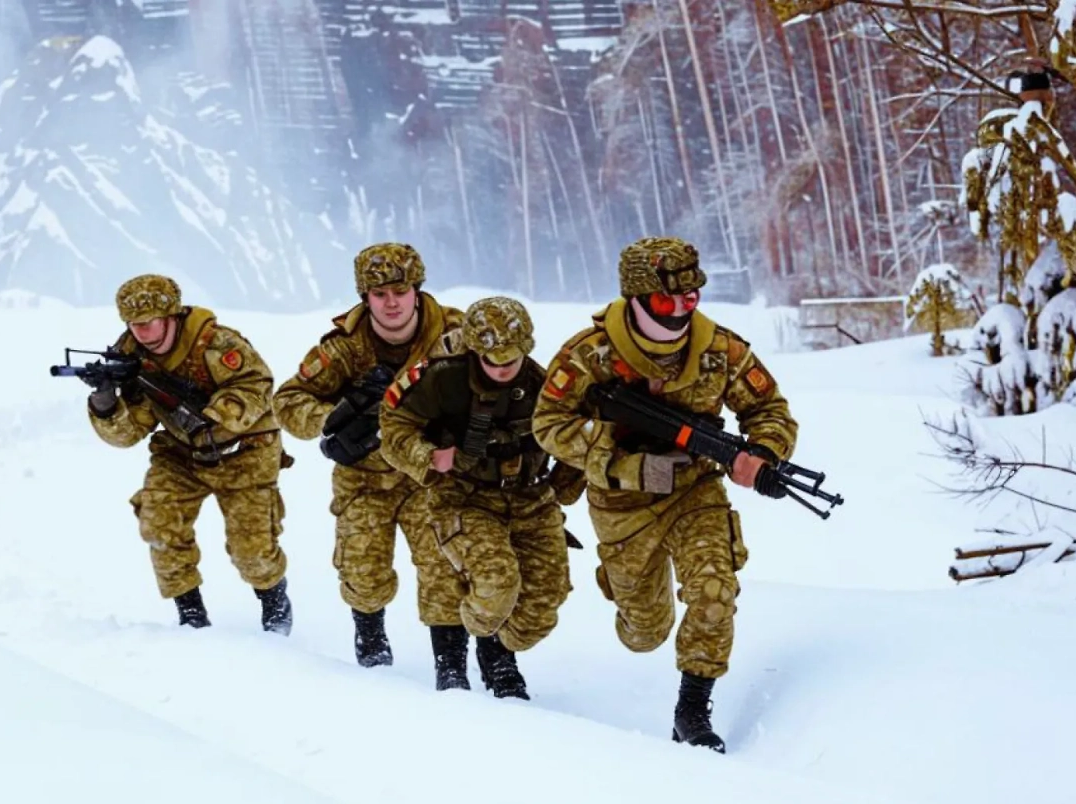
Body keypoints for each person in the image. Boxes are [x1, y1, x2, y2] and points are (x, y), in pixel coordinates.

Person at [531, 236, 799, 753]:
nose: (679, 310)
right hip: (621, 503)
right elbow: (548, 424)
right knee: (644, 633)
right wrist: (619, 455)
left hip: (694, 488)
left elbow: (770, 410)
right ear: (634, 298)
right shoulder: (589, 354)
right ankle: (621, 585)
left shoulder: (721, 351)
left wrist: (762, 453)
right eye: (663, 300)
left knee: (714, 590)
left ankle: (692, 711)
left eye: (690, 297)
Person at [272, 243, 469, 684]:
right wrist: (335, 419)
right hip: (364, 477)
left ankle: (452, 669)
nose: (391, 302)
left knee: (443, 567)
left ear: (417, 290)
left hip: (431, 475)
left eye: (400, 290)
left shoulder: (455, 336)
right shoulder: (346, 347)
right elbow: (288, 400)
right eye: (379, 294)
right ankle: (372, 650)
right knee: (362, 570)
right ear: (365, 297)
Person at [379, 297, 576, 700]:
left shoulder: (542, 384)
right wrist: (428, 456)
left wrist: (563, 484)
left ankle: (495, 648)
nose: (502, 368)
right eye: (491, 360)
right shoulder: (442, 378)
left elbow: (573, 435)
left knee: (543, 605)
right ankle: (455, 662)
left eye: (512, 359)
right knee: (493, 579)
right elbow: (394, 426)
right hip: (463, 494)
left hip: (528, 495)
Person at [86, 274, 293, 634]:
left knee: (251, 550)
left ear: (172, 316)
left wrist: (211, 418)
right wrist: (105, 403)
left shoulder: (216, 344)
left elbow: (257, 386)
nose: (141, 332)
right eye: (133, 324)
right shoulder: (131, 358)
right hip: (182, 453)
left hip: (245, 452)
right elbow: (130, 432)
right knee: (159, 523)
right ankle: (191, 614)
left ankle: (274, 601)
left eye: (150, 322)